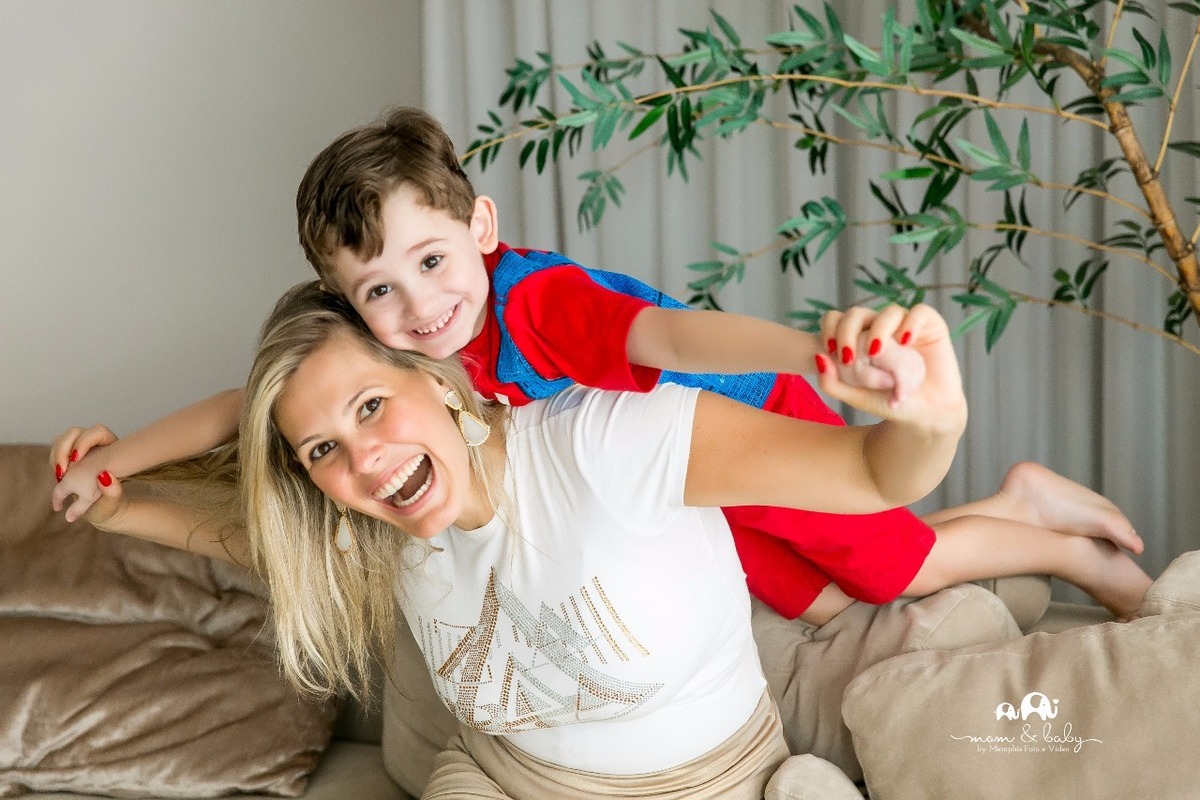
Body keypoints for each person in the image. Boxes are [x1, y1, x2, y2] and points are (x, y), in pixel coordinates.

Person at [50, 106, 1151, 624]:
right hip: (672, 487)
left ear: (482, 227)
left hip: (744, 425)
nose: (419, 307)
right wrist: (116, 465)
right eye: (378, 289)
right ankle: (1016, 500)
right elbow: (247, 404)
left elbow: (673, 336)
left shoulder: (538, 306)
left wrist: (807, 352)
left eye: (431, 262)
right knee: (820, 604)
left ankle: (1062, 545)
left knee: (895, 570)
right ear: (349, 301)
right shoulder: (400, 348)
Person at [56, 284, 1150, 799]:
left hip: (712, 778)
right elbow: (246, 538)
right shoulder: (366, 520)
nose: (364, 461)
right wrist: (114, 504)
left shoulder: (604, 441)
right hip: (499, 776)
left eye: (373, 408)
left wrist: (931, 420)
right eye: (323, 450)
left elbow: (871, 475)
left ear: (439, 381)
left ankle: (1024, 553)